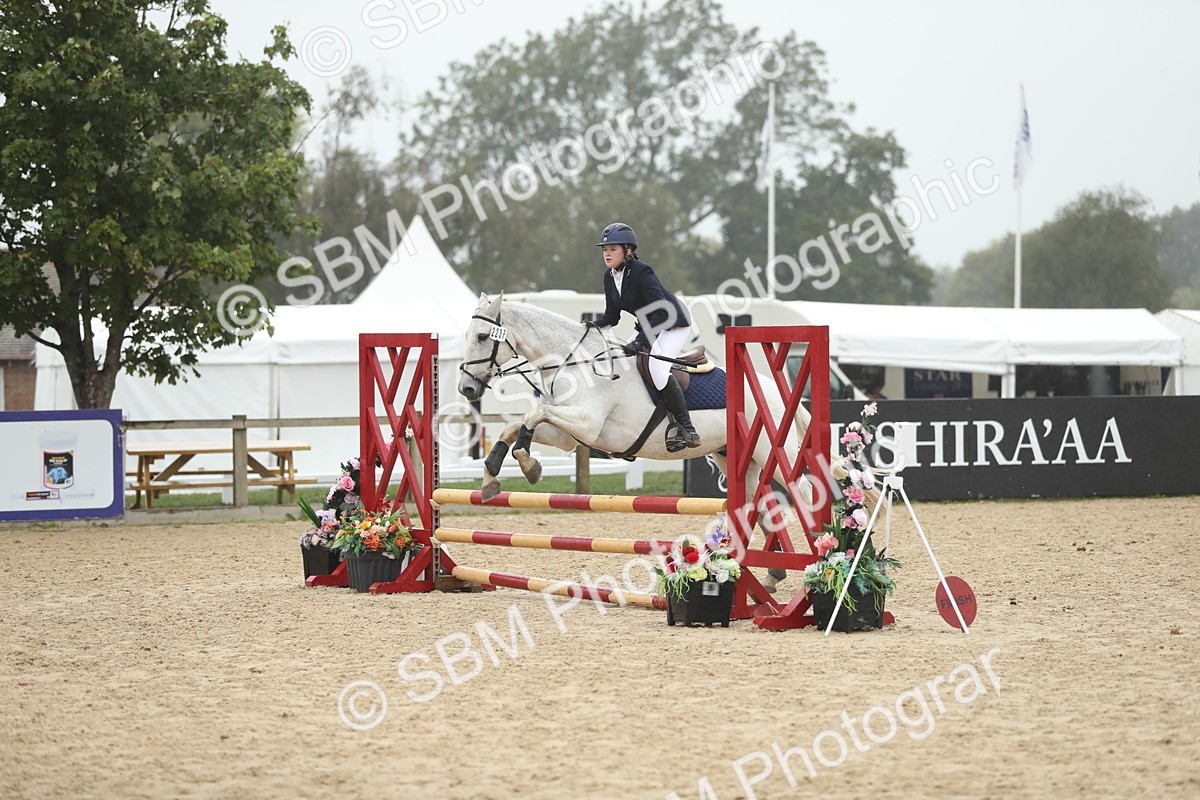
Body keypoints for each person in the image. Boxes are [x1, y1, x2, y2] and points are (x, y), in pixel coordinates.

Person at [588, 222, 699, 451]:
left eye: (613, 249)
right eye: (605, 250)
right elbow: (612, 316)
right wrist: (590, 327)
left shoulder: (642, 271)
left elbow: (662, 311)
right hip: (651, 323)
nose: (607, 254)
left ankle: (687, 428)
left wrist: (641, 341)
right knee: (624, 364)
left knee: (657, 369)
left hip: (673, 322)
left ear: (628, 251)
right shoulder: (610, 277)